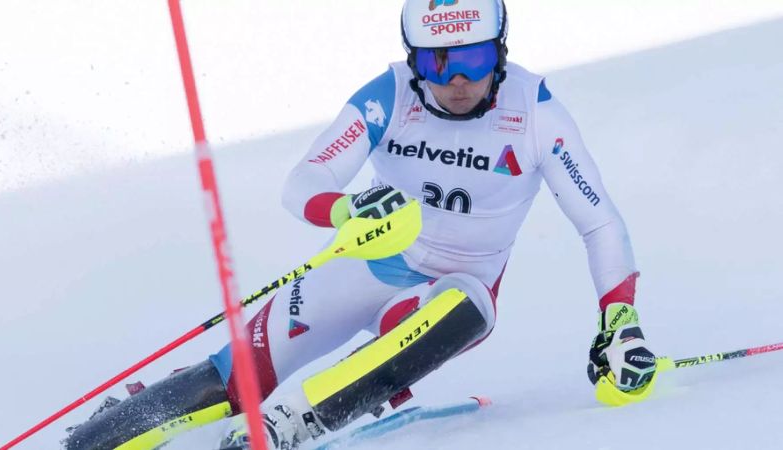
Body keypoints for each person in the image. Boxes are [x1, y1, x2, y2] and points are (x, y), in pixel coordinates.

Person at [63, 1, 657, 449]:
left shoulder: (533, 109)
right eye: (435, 61)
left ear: (500, 53)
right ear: (412, 57)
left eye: (473, 59)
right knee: (230, 382)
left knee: (465, 311)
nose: (455, 80)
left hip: (450, 290)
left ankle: (291, 422)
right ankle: (112, 428)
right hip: (361, 267)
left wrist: (620, 321)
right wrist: (345, 209)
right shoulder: (389, 95)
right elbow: (303, 183)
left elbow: (599, 221)